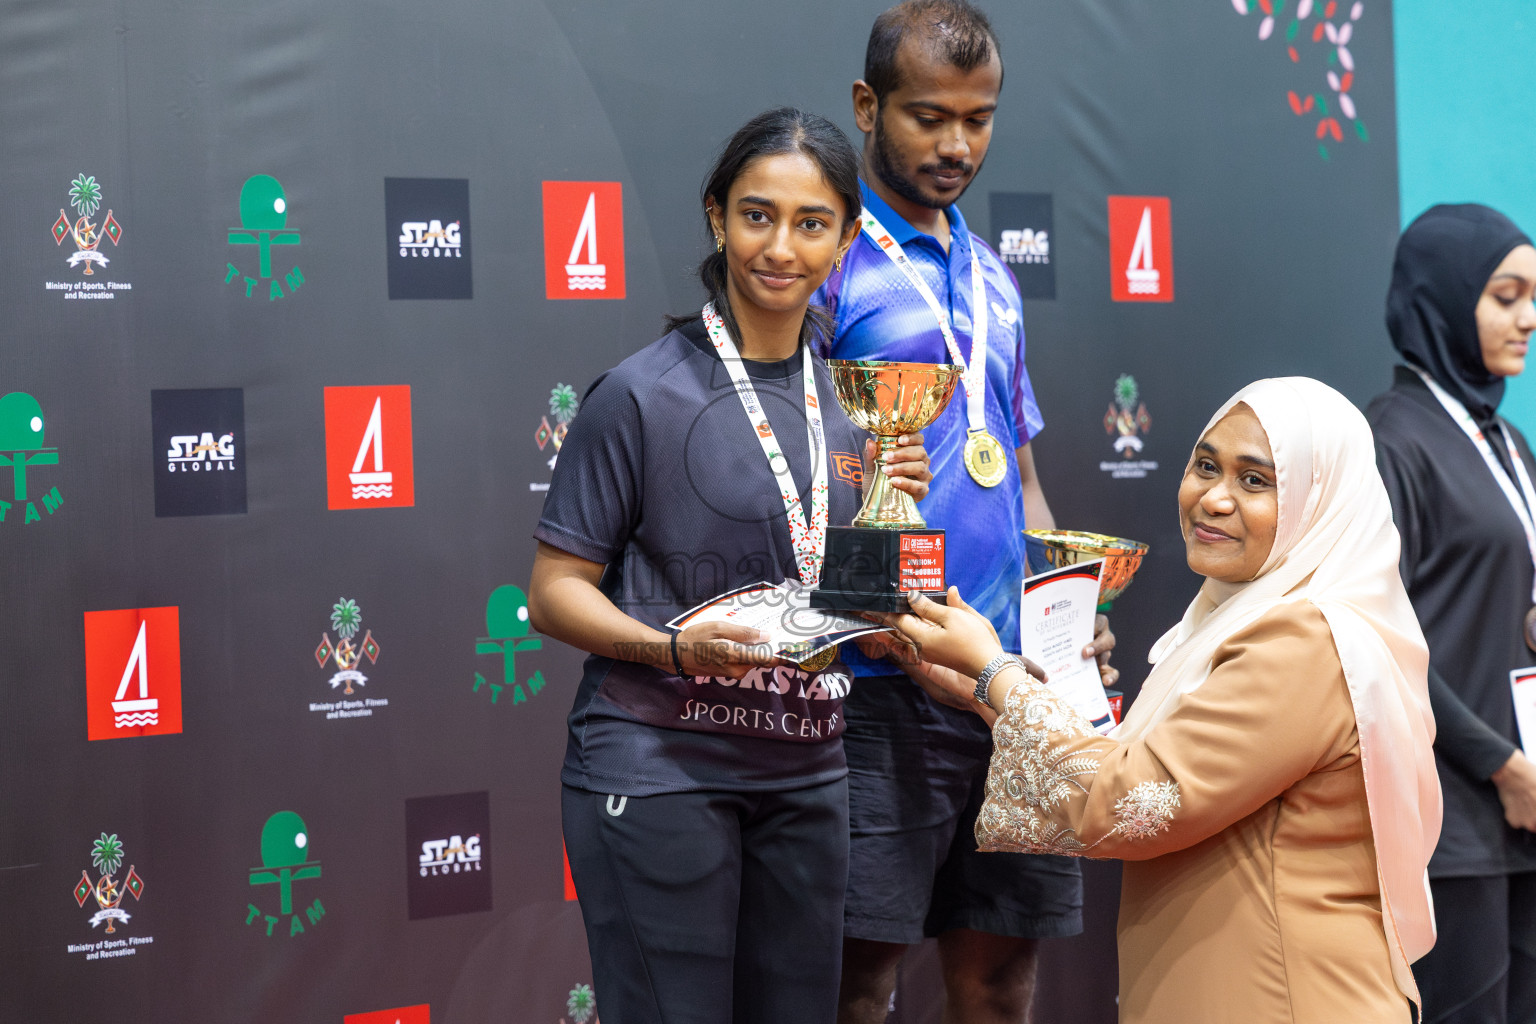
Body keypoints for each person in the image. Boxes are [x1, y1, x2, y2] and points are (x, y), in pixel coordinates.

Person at [870, 377, 1443, 1023]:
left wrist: (994, 670)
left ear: (1321, 502)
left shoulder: (1305, 640)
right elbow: (1165, 774)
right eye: (1206, 465)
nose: (1214, 499)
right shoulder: (1244, 617)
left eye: (1255, 480)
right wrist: (983, 692)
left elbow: (1135, 801)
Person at [528, 108, 931, 1024]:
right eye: (757, 215)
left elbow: (857, 602)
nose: (780, 246)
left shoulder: (859, 403)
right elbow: (553, 597)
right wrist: (673, 650)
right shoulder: (641, 392)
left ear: (847, 236)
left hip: (808, 771)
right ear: (717, 218)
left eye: (811, 222)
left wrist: (893, 514)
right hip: (663, 763)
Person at [812, 3, 1114, 1020]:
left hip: (1005, 682)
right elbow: (786, 476)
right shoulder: (827, 261)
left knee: (1001, 980)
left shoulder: (992, 276)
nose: (956, 146)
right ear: (867, 106)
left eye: (978, 120)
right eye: (928, 116)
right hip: (876, 683)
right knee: (858, 981)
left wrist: (1062, 617)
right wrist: (865, 610)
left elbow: (1013, 470)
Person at [1367, 203, 1536, 1023]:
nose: (1529, 318)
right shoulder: (1391, 441)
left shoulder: (1506, 442)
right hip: (1452, 823)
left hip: (1526, 814)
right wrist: (1504, 765)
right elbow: (1379, 640)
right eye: (1506, 296)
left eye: (1533, 297)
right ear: (1444, 297)